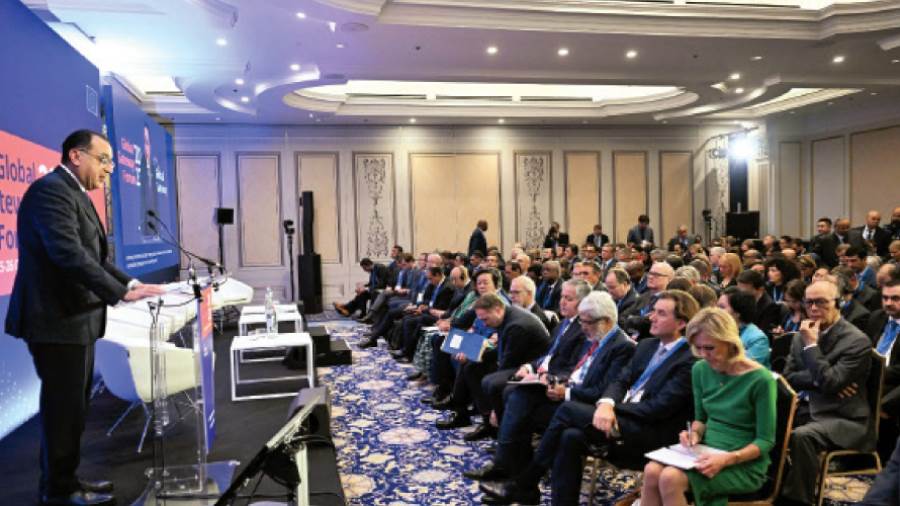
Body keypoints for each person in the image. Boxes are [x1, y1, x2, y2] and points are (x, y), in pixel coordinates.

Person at [5, 129, 166, 506]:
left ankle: (67, 479)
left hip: (74, 320)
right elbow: (68, 255)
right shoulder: (50, 192)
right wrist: (119, 293)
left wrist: (131, 283)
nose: (109, 168)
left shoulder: (74, 193)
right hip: (56, 321)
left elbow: (96, 258)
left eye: (112, 162)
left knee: (73, 410)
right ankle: (59, 491)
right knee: (63, 411)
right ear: (76, 156)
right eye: (104, 159)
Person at [480, 290, 699, 505]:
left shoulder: (689, 359)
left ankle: (525, 483)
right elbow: (620, 381)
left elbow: (658, 408)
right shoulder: (647, 345)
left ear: (681, 323)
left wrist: (612, 407)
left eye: (661, 313)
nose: (651, 317)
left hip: (648, 429)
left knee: (566, 410)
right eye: (654, 311)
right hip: (618, 418)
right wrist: (607, 402)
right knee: (569, 436)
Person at [641, 307, 776, 506]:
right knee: (651, 470)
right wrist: (694, 434)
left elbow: (765, 441)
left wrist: (728, 459)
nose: (703, 354)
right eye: (698, 348)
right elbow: (701, 420)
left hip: (742, 461)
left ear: (730, 343)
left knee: (670, 477)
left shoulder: (761, 379)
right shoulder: (700, 369)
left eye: (710, 348)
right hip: (706, 451)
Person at [780, 280, 872, 505]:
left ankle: (798, 501)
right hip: (807, 408)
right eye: (808, 302)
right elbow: (789, 376)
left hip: (843, 417)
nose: (813, 308)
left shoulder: (856, 340)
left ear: (838, 303)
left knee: (803, 436)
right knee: (768, 420)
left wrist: (812, 347)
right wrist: (822, 379)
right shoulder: (801, 334)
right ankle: (769, 487)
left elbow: (830, 383)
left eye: (821, 302)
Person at [716, 287, 771, 369]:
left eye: (721, 307)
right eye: (716, 306)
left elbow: (743, 369)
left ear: (737, 312)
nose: (715, 311)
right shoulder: (716, 331)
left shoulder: (758, 339)